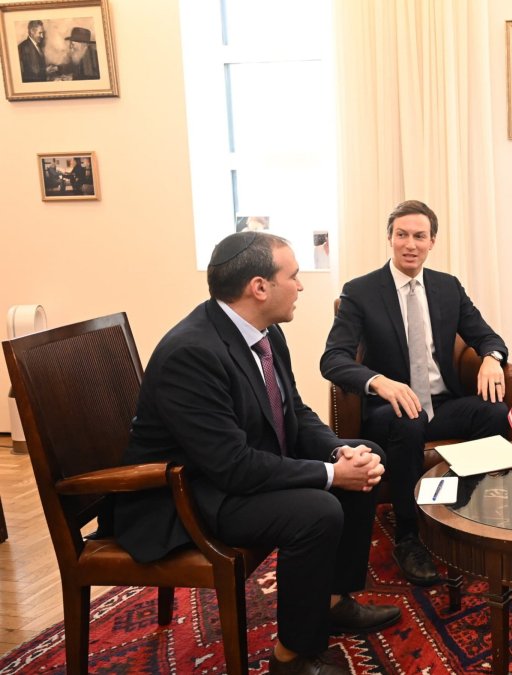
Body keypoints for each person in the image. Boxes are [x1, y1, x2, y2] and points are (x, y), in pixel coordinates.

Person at [115, 232, 401, 675]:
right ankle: (292, 656)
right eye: (294, 276)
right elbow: (231, 467)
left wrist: (339, 454)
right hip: (188, 495)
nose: (302, 286)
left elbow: (295, 413)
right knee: (317, 509)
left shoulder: (264, 332)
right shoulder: (192, 352)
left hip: (232, 472)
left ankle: (332, 600)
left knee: (363, 453)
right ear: (259, 287)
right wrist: (329, 475)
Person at [321, 200, 511, 587]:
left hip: (441, 404)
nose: (410, 244)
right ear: (390, 239)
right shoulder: (360, 292)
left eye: (419, 236)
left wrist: (491, 356)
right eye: (402, 235)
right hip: (390, 408)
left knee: (493, 413)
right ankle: (410, 536)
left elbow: (487, 335)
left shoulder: (447, 287)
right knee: (408, 423)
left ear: (431, 242)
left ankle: (461, 511)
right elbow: (333, 358)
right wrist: (378, 381)